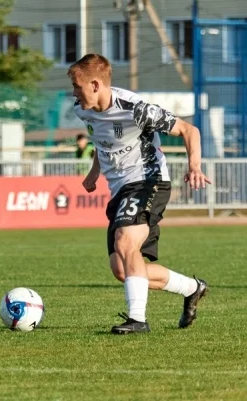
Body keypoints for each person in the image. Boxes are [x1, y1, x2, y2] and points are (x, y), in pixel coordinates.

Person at [68, 53, 212, 335]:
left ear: (95, 85)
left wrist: (194, 166)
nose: (73, 92)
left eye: (77, 86)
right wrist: (94, 173)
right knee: (121, 269)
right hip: (119, 189)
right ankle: (192, 288)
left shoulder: (135, 109)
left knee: (125, 242)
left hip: (148, 180)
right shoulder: (82, 109)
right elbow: (102, 141)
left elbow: (188, 130)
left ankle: (137, 319)